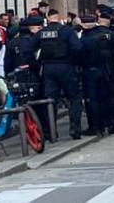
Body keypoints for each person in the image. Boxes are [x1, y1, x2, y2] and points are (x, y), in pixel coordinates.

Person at [37, 9, 83, 139]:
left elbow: (30, 48)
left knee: (50, 101)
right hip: (66, 67)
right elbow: (77, 47)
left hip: (48, 68)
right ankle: (75, 129)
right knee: (74, 98)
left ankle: (50, 132)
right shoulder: (67, 31)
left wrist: (37, 63)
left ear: (47, 17)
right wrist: (73, 61)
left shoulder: (42, 32)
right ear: (59, 17)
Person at [80, 13, 114, 136]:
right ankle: (110, 123)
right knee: (106, 98)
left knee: (92, 100)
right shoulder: (104, 35)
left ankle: (95, 126)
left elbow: (79, 54)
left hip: (90, 71)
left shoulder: (85, 38)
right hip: (106, 70)